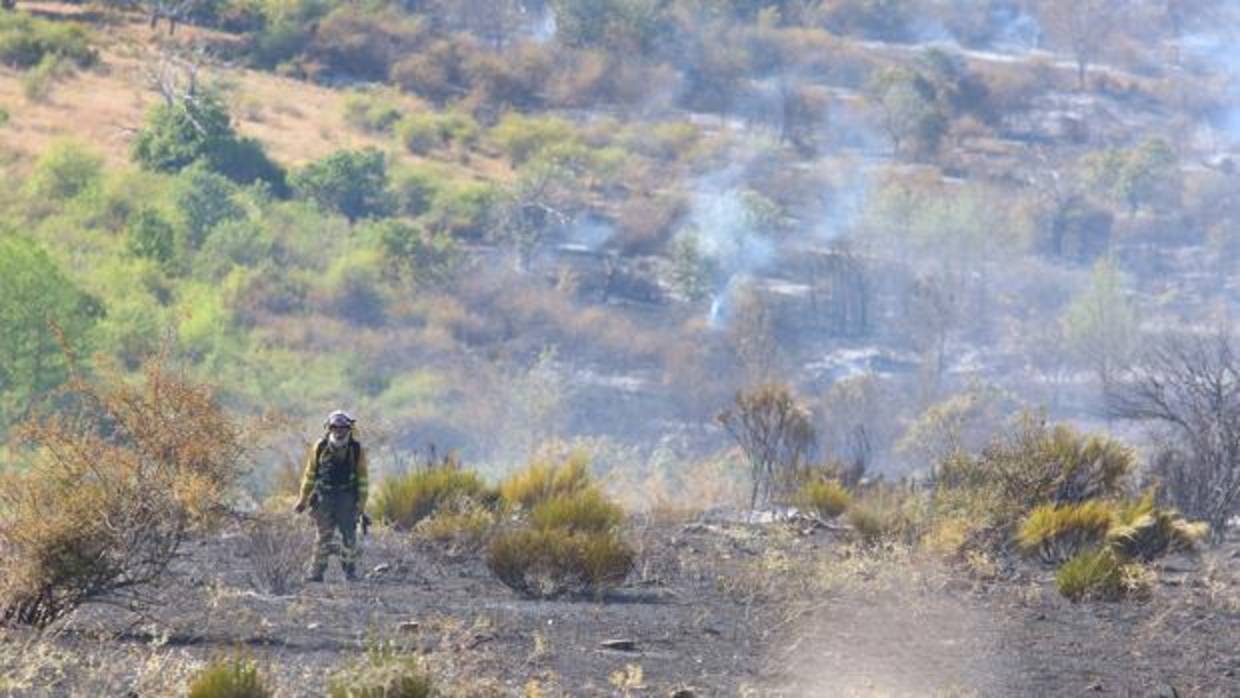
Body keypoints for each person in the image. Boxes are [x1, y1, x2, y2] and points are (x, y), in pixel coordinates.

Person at [294, 410, 369, 582]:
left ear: (349, 429)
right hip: (324, 498)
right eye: (335, 427)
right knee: (323, 536)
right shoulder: (320, 446)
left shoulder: (356, 449)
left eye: (343, 427)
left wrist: (361, 505)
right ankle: (316, 573)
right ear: (329, 428)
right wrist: (303, 500)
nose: (339, 431)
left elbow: (363, 479)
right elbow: (310, 474)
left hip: (347, 498)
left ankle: (350, 573)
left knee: (349, 536)